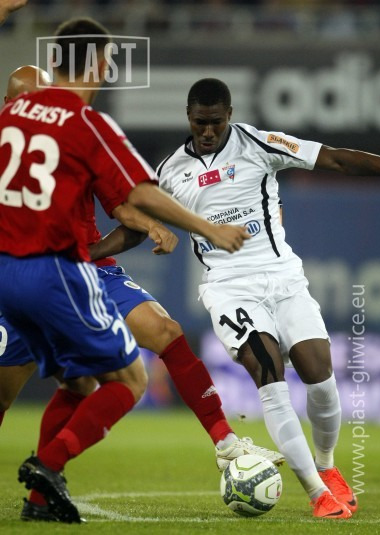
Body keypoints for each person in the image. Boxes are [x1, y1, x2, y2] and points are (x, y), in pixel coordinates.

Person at [0, 23, 249, 523]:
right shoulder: (86, 124)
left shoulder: (10, 119)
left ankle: (41, 499)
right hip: (57, 272)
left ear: (54, 62)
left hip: (11, 274)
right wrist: (208, 228)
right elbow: (139, 190)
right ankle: (48, 466)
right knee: (131, 379)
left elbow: (120, 202)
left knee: (80, 382)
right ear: (100, 62)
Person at [156, 77, 380, 519]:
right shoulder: (170, 171)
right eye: (199, 123)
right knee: (269, 375)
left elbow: (337, 159)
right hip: (228, 287)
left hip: (282, 277)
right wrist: (117, 240)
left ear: (230, 115)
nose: (207, 132)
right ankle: (317, 494)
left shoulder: (258, 143)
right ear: (188, 118)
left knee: (319, 376)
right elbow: (138, 215)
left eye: (215, 122)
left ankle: (326, 467)